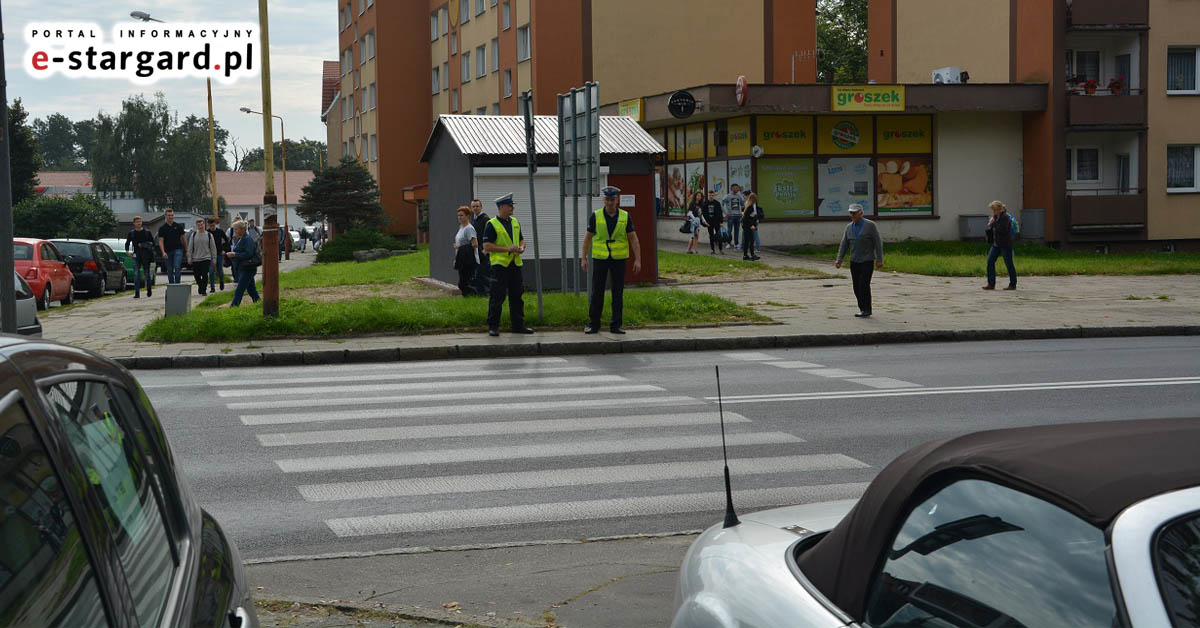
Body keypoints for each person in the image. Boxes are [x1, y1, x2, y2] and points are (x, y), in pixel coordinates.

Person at [582, 186, 642, 334]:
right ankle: (594, 324)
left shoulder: (625, 216)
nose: (610, 203)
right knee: (597, 292)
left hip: (619, 259)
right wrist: (583, 258)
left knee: (617, 292)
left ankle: (616, 325)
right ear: (604, 200)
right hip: (601, 259)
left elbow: (634, 240)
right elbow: (587, 239)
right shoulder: (595, 216)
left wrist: (638, 260)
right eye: (607, 199)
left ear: (618, 200)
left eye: (613, 199)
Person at [482, 194, 534, 336]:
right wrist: (507, 249)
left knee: (517, 296)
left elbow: (522, 240)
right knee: (497, 297)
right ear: (501, 207)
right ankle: (493, 326)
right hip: (499, 266)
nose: (513, 208)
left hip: (515, 265)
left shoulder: (515, 222)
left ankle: (518, 325)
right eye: (510, 205)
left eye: (512, 205)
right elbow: (486, 245)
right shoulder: (492, 224)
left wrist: (522, 247)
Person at [834, 203, 884, 318]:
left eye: (854, 213)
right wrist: (839, 259)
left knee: (864, 284)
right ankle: (862, 308)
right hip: (854, 261)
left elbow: (878, 243)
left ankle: (867, 309)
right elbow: (844, 244)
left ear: (861, 213)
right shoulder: (849, 227)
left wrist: (879, 259)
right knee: (856, 286)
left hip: (867, 260)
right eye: (851, 213)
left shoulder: (870, 225)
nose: (852, 215)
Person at [225, 220, 261, 306]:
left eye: (236, 229)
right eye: (234, 229)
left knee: (240, 289)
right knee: (251, 289)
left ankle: (234, 306)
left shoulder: (247, 239)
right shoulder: (240, 239)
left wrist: (235, 254)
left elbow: (249, 253)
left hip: (248, 268)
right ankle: (258, 302)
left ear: (242, 229)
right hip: (242, 267)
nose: (235, 231)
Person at [984, 200, 1017, 291]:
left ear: (999, 209)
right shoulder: (996, 216)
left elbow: (1003, 229)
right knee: (990, 261)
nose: (993, 212)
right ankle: (991, 284)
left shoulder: (1005, 217)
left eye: (994, 210)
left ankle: (1012, 284)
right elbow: (994, 228)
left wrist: (993, 224)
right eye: (993, 210)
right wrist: (991, 224)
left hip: (1006, 244)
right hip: (996, 244)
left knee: (1009, 264)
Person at [125, 216, 155, 298]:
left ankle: (149, 289)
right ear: (134, 223)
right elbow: (127, 243)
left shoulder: (147, 232)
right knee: (136, 273)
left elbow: (152, 243)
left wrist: (144, 245)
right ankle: (137, 293)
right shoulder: (131, 233)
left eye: (140, 221)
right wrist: (127, 251)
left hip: (145, 255)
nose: (139, 223)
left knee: (147, 273)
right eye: (137, 222)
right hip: (136, 254)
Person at [453, 205, 479, 297]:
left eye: (462, 215)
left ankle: (475, 295)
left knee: (463, 283)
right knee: (463, 282)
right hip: (461, 258)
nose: (459, 217)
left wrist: (460, 246)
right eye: (458, 215)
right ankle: (467, 297)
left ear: (468, 216)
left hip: (468, 259)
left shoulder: (469, 228)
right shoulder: (461, 227)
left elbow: (475, 244)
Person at [186, 218, 217, 296]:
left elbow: (213, 248)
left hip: (206, 258)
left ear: (204, 225)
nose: (200, 226)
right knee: (196, 275)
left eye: (202, 224)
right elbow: (190, 247)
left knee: (204, 274)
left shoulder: (209, 235)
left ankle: (203, 290)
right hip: (196, 258)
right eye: (199, 225)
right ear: (197, 226)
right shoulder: (194, 235)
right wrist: (189, 258)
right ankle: (200, 286)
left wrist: (214, 259)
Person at [469, 199, 492, 296]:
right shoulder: (473, 219)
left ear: (481, 207)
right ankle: (481, 292)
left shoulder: (485, 219)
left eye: (477, 206)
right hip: (476, 251)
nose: (475, 208)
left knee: (482, 273)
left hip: (483, 251)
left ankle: (485, 293)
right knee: (478, 273)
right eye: (473, 206)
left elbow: (489, 235)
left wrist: (486, 249)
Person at [156, 208, 186, 284]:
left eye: (172, 215)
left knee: (177, 267)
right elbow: (160, 241)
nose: (170, 217)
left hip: (178, 250)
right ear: (165, 216)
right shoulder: (162, 228)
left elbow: (184, 239)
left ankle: (177, 285)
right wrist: (163, 252)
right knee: (169, 270)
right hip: (167, 251)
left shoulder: (178, 226)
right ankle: (172, 286)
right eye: (169, 215)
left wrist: (187, 250)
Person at [208, 217, 229, 291]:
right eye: (210, 226)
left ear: (215, 224)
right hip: (210, 254)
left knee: (220, 270)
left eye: (213, 225)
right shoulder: (207, 232)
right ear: (208, 225)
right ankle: (212, 287)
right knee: (211, 271)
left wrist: (224, 250)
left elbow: (227, 240)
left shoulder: (220, 231)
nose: (212, 227)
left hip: (219, 253)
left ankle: (221, 281)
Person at [702, 189, 725, 254]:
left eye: (712, 195)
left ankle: (720, 249)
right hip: (709, 222)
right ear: (708, 195)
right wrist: (705, 222)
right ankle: (712, 250)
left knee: (719, 236)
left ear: (714, 195)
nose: (711, 196)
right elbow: (703, 213)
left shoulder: (717, 203)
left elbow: (720, 213)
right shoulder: (705, 203)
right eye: (710, 195)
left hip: (716, 222)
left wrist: (721, 222)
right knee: (711, 236)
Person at [742, 192, 761, 261]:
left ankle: (745, 255)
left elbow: (750, 217)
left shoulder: (748, 206)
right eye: (755, 199)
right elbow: (746, 218)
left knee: (747, 241)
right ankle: (752, 255)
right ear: (753, 199)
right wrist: (751, 225)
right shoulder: (750, 207)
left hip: (746, 226)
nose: (756, 200)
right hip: (747, 226)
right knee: (751, 240)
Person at [726, 183, 744, 251]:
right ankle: (729, 243)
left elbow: (743, 204)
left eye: (737, 188)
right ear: (732, 188)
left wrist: (741, 212)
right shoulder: (728, 196)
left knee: (737, 231)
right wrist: (726, 213)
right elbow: (722, 203)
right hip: (731, 216)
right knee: (729, 230)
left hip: (738, 216)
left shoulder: (739, 196)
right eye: (735, 188)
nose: (737, 189)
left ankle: (736, 244)